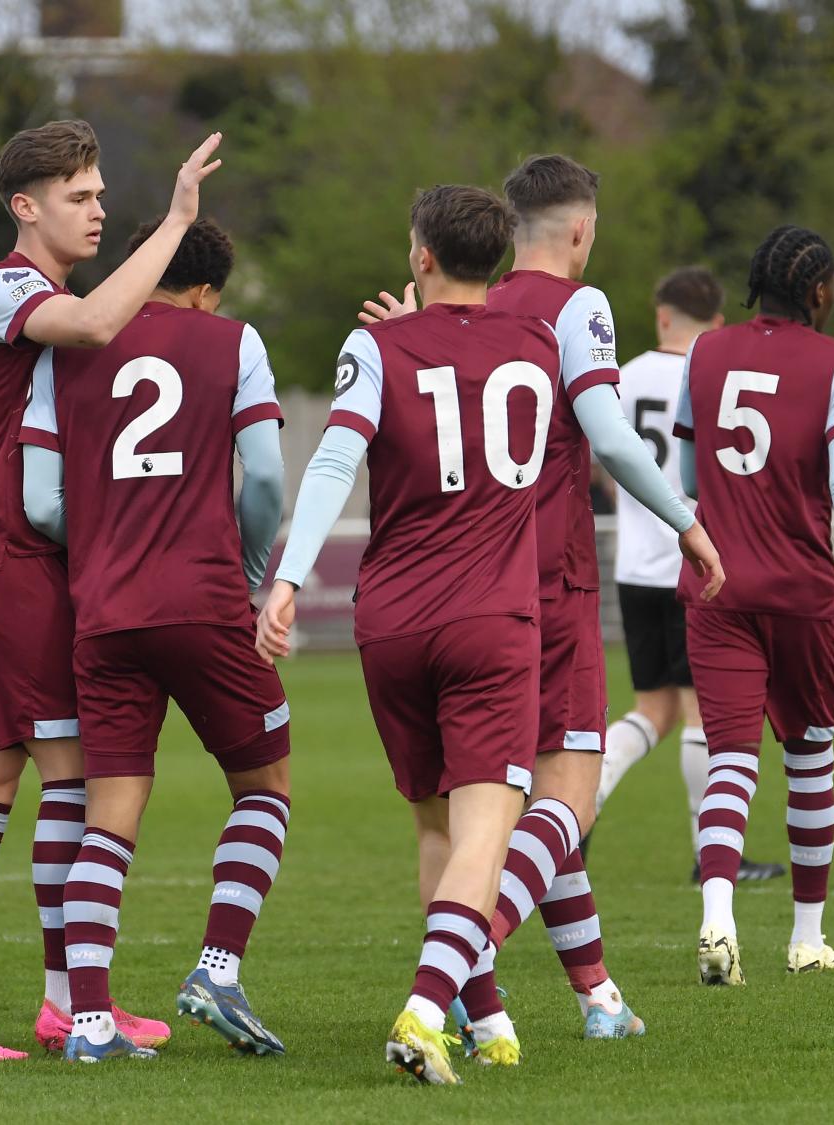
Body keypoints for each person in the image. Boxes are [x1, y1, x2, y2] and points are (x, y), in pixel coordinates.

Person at [360, 155, 723, 1051]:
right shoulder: (576, 306)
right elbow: (607, 438)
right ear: (580, 232)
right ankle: (452, 966)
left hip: (449, 582)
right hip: (546, 581)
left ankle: (592, 992)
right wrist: (686, 520)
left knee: (496, 806)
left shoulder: (474, 303)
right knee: (567, 800)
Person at [0, 119, 222, 1062]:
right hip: (7, 562)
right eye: (80, 195)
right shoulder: (7, 287)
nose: (98, 208)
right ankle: (48, 1002)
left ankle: (7, 1001)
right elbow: (93, 324)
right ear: (25, 208)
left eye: (101, 192)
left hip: (3, 562)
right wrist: (176, 222)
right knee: (71, 780)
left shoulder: (48, 293)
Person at [261, 186, 558, 1084]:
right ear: (501, 262)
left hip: (391, 622)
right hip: (492, 622)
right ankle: (427, 1010)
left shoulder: (377, 344)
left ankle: (487, 1010)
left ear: (420, 255)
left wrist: (287, 576)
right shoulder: (539, 344)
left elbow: (337, 457)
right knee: (484, 832)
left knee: (435, 820)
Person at [19, 218, 290, 1062]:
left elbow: (40, 503)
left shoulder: (65, 343)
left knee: (111, 819)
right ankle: (216, 965)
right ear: (208, 290)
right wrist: (249, 566)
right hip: (205, 601)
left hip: (103, 610)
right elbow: (269, 476)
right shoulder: (232, 340)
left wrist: (103, 540)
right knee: (265, 787)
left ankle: (90, 1022)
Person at [676, 225, 834, 985]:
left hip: (716, 587)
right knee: (809, 750)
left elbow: (682, 473)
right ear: (821, 290)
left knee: (730, 757)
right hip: (801, 590)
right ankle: (806, 938)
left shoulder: (703, 352)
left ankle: (717, 918)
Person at [595, 267, 787, 884]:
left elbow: (603, 460)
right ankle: (711, 857)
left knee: (653, 708)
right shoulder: (711, 376)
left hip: (633, 569)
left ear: (661, 315)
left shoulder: (620, 377)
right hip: (696, 564)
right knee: (704, 714)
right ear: (719, 324)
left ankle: (575, 810)